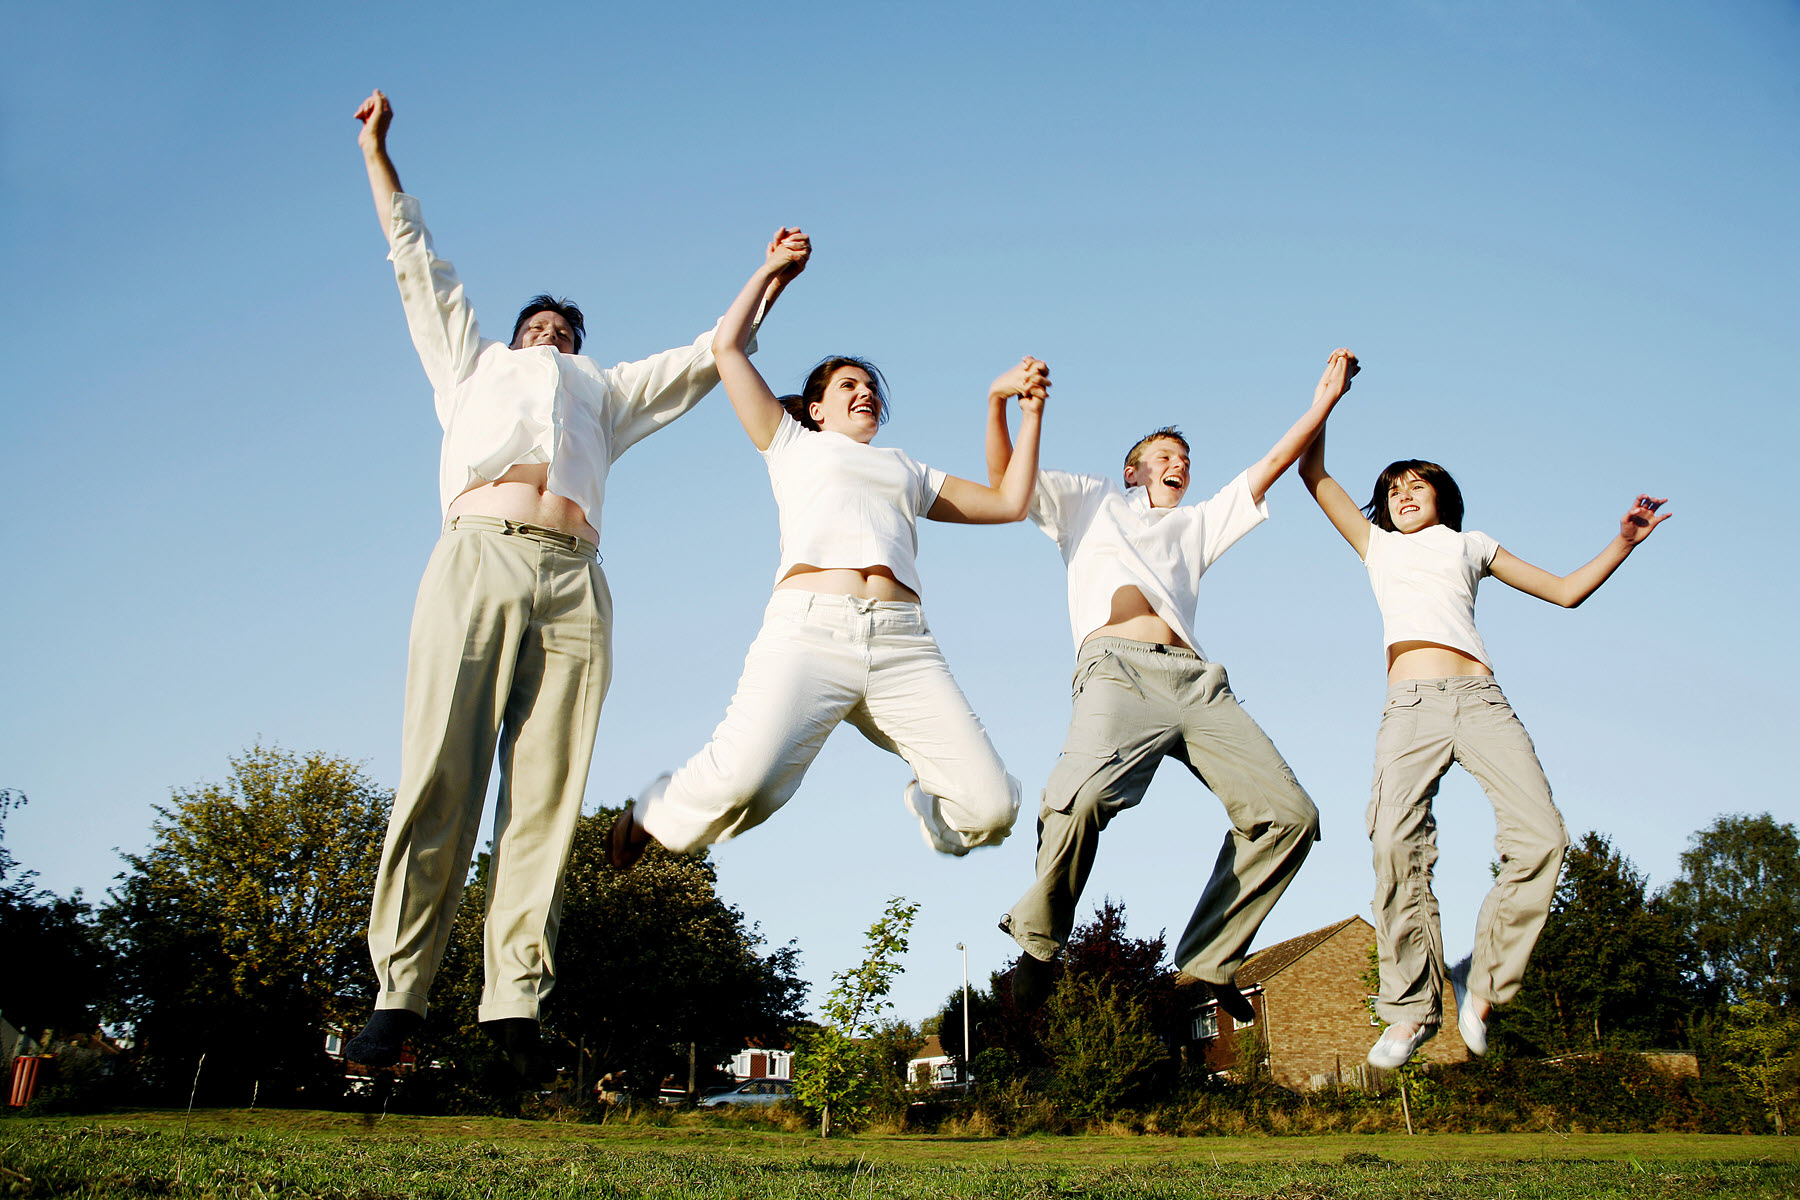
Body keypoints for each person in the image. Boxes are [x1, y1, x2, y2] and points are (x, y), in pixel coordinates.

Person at [341, 89, 806, 1078]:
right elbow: (418, 265)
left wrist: (769, 277)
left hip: (574, 582)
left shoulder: (604, 391)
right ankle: (398, 996)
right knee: (441, 777)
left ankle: (512, 1004)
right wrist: (379, 152)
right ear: (516, 336)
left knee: (547, 795)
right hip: (476, 559)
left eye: (566, 325)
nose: (552, 330)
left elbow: (706, 357)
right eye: (540, 321)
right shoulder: (471, 366)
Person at [607, 236, 1051, 869]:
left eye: (870, 385)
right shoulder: (789, 442)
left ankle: (931, 806)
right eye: (848, 384)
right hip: (810, 631)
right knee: (745, 787)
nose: (864, 390)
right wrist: (771, 274)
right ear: (816, 408)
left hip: (903, 645)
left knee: (991, 810)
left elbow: (1009, 501)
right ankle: (656, 812)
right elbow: (726, 348)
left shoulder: (906, 469)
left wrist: (1011, 407)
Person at [1296, 405, 1670, 1068]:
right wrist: (1330, 398)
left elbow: (1563, 592)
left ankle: (1484, 980)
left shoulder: (1471, 545)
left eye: (1416, 484)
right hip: (1410, 708)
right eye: (1392, 489)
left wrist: (1625, 543)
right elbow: (1313, 471)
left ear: (1442, 495)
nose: (1403, 494)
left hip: (1482, 702)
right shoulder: (1377, 546)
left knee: (1543, 837)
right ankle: (1411, 1011)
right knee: (1393, 843)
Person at [992, 350, 1359, 1017]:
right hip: (1116, 672)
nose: (1178, 462)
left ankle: (1214, 958)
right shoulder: (1092, 499)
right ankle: (1040, 943)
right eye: (1164, 453)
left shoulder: (1198, 522)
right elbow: (1004, 481)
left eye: (1185, 457)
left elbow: (1273, 464)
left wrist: (1323, 403)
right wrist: (1007, 407)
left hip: (1197, 685)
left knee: (1291, 817)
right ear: (1134, 468)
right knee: (1078, 801)